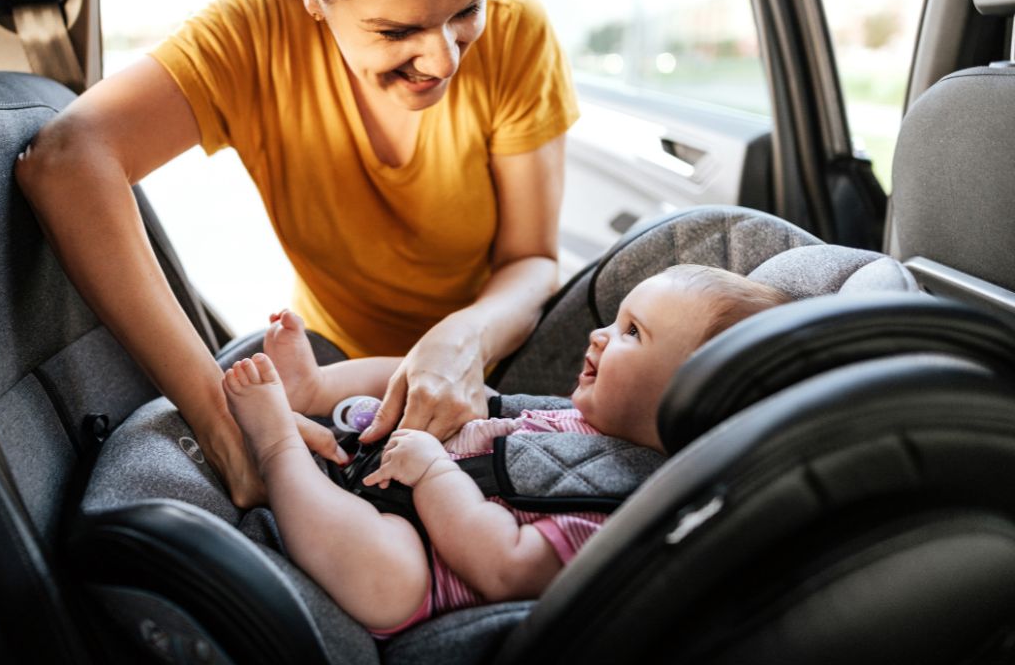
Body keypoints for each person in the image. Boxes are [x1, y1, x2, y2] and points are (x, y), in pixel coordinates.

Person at [15, 0, 578, 507]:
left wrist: (464, 337)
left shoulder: (519, 30)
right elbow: (64, 161)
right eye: (396, 31)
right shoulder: (256, 33)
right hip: (333, 368)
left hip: (495, 359)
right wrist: (218, 421)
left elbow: (531, 261)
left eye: (466, 11)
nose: (445, 59)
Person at [222, 265, 793, 634]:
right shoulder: (579, 419)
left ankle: (274, 448)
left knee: (388, 582)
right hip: (401, 467)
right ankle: (316, 389)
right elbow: (490, 417)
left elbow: (507, 566)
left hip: (428, 568)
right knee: (461, 386)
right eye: (616, 321)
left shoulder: (625, 508)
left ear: (687, 400)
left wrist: (434, 476)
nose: (599, 336)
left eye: (632, 334)